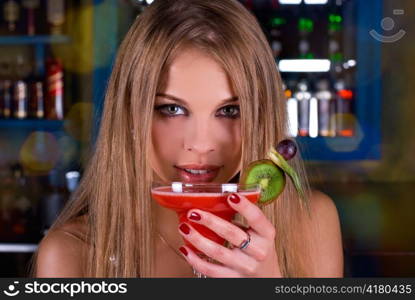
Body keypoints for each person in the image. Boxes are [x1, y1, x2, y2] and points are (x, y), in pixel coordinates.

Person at [31, 0, 343, 278]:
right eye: (172, 108)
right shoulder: (70, 254)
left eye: (230, 110)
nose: (202, 144)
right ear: (129, 113)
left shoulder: (310, 224)